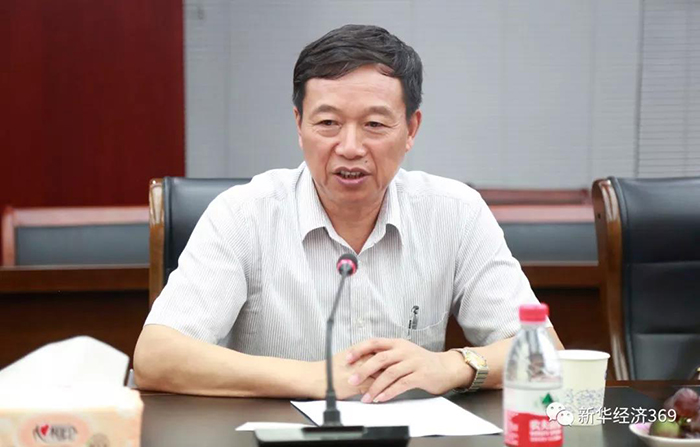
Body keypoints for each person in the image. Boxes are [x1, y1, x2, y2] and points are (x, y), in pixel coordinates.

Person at [134, 24, 564, 403]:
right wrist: (317, 378)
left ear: (411, 129)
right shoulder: (244, 215)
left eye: (375, 125)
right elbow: (156, 356)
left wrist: (452, 366)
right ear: (299, 124)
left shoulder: (455, 213)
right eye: (328, 123)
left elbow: (546, 353)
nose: (351, 147)